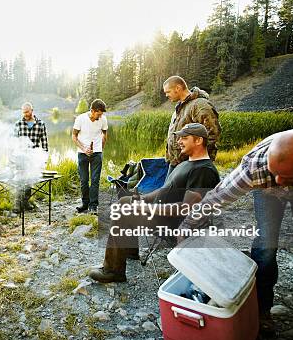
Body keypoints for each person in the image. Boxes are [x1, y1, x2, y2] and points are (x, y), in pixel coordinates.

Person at [177, 126, 293, 329]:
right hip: (267, 192)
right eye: (276, 173)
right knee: (266, 243)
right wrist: (187, 225)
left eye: (286, 177)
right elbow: (215, 199)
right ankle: (261, 307)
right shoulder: (255, 168)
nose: (280, 183)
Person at [89, 123, 220, 283]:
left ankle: (113, 271)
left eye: (184, 138)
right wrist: (144, 199)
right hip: (163, 216)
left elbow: (186, 209)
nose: (179, 141)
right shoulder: (186, 163)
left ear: (199, 140)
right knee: (124, 201)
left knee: (123, 212)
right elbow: (164, 190)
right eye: (179, 137)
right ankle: (129, 251)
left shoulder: (203, 170)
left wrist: (147, 208)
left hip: (175, 225)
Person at [163, 75, 221, 175]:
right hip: (176, 162)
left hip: (191, 164)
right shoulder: (180, 107)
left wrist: (195, 159)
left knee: (186, 190)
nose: (166, 95)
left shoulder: (200, 105)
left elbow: (212, 133)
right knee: (169, 190)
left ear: (178, 88)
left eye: (168, 92)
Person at [73, 99, 108, 214]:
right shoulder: (80, 119)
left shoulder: (103, 119)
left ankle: (93, 206)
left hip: (97, 154)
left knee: (95, 180)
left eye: (102, 114)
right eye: (99, 113)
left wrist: (100, 149)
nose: (101, 116)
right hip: (82, 154)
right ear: (92, 111)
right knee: (84, 180)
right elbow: (74, 136)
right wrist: (83, 148)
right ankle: (85, 203)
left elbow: (105, 134)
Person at [13, 102, 49, 211]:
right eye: (23, 112)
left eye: (27, 112)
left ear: (32, 110)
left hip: (34, 157)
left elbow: (44, 142)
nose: (25, 114)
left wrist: (45, 158)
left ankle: (26, 202)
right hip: (20, 157)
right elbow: (13, 141)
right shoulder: (18, 124)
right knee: (19, 179)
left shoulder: (41, 124)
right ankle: (17, 205)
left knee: (29, 180)